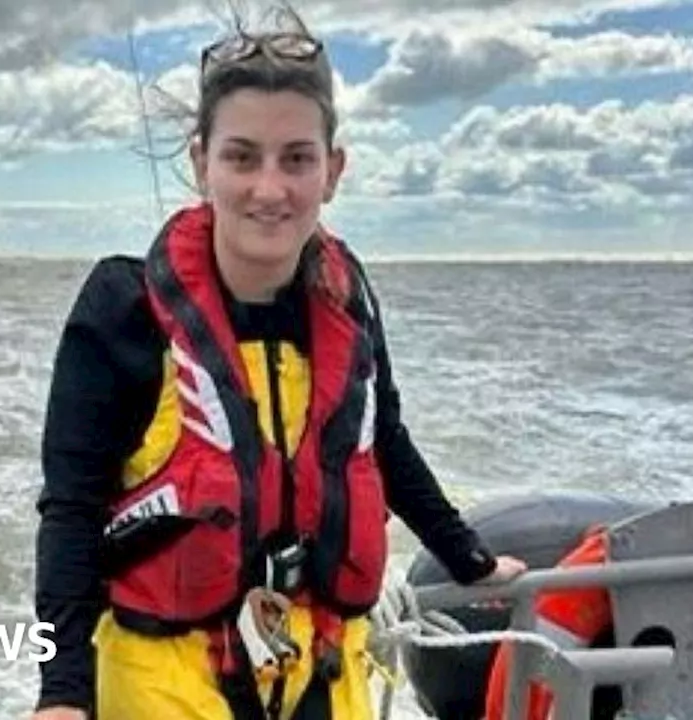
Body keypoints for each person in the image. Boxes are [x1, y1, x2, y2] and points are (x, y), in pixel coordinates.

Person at [31, 8, 527, 720]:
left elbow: (382, 440)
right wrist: (61, 693)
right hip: (165, 677)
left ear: (333, 171)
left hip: (323, 664)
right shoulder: (122, 309)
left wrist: (469, 558)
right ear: (202, 163)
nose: (270, 189)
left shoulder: (348, 300)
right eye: (242, 157)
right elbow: (69, 513)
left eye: (297, 158)